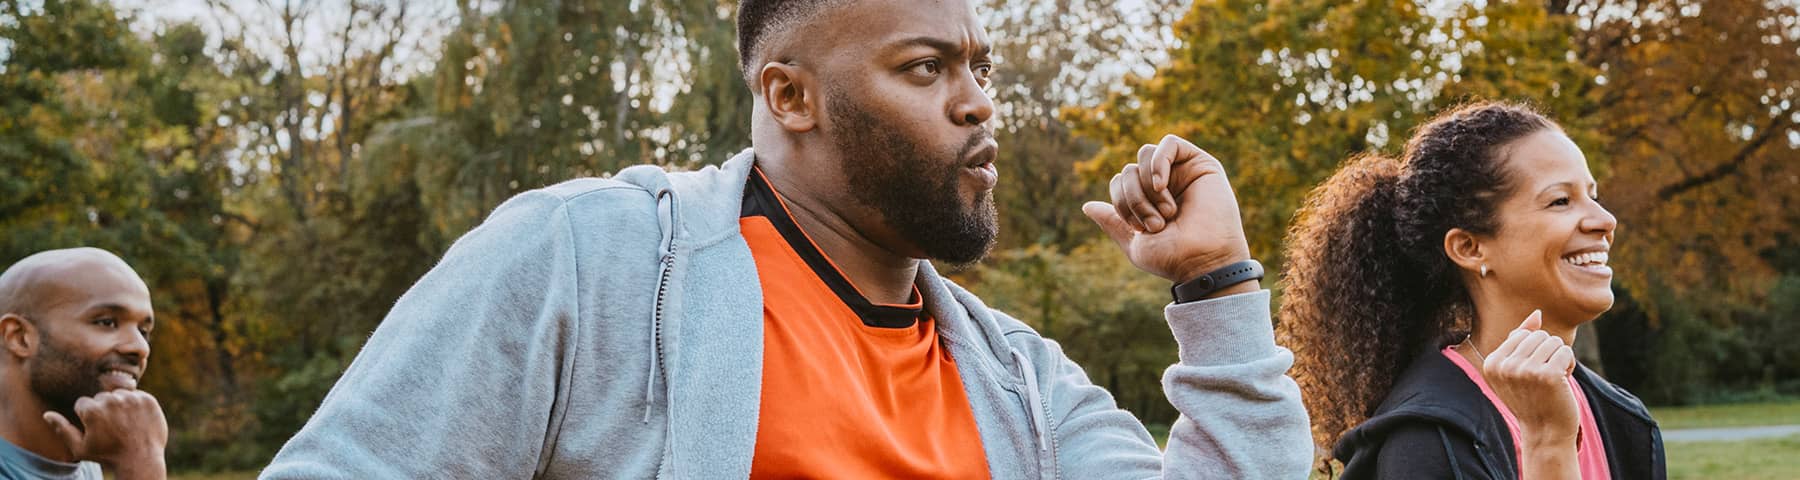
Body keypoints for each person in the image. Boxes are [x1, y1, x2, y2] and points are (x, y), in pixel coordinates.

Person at [261, 0, 1312, 478]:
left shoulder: (1021, 383)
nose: (979, 105)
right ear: (791, 95)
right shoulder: (591, 260)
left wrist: (1216, 285)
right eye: (925, 68)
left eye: (981, 67)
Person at [1277, 101, 1665, 479]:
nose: (1604, 220)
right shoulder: (1423, 443)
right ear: (1470, 248)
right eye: (1560, 201)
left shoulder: (1622, 420)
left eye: (1592, 197)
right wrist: (1548, 442)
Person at [0, 248, 167, 480]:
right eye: (107, 322)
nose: (140, 347)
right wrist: (141, 464)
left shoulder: (85, 466)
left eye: (143, 331)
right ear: (19, 337)